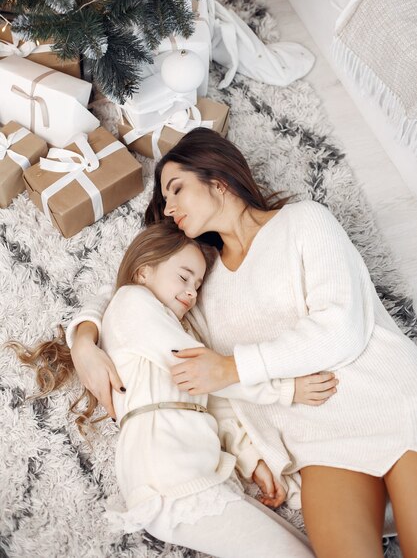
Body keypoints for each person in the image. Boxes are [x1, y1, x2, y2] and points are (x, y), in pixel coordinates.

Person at [68, 129, 417, 558]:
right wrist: (83, 340)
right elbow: (128, 288)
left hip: (387, 397)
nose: (169, 207)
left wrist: (231, 368)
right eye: (164, 201)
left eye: (176, 189)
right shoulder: (199, 285)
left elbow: (340, 326)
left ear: (218, 179)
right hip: (317, 441)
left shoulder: (303, 220)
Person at [16, 221, 315, 558]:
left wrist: (250, 460)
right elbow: (212, 372)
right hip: (166, 476)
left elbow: (212, 402)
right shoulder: (132, 302)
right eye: (184, 277)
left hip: (193, 471)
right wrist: (286, 388)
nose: (192, 292)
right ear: (144, 272)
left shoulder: (173, 328)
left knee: (306, 549)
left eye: (198, 285)